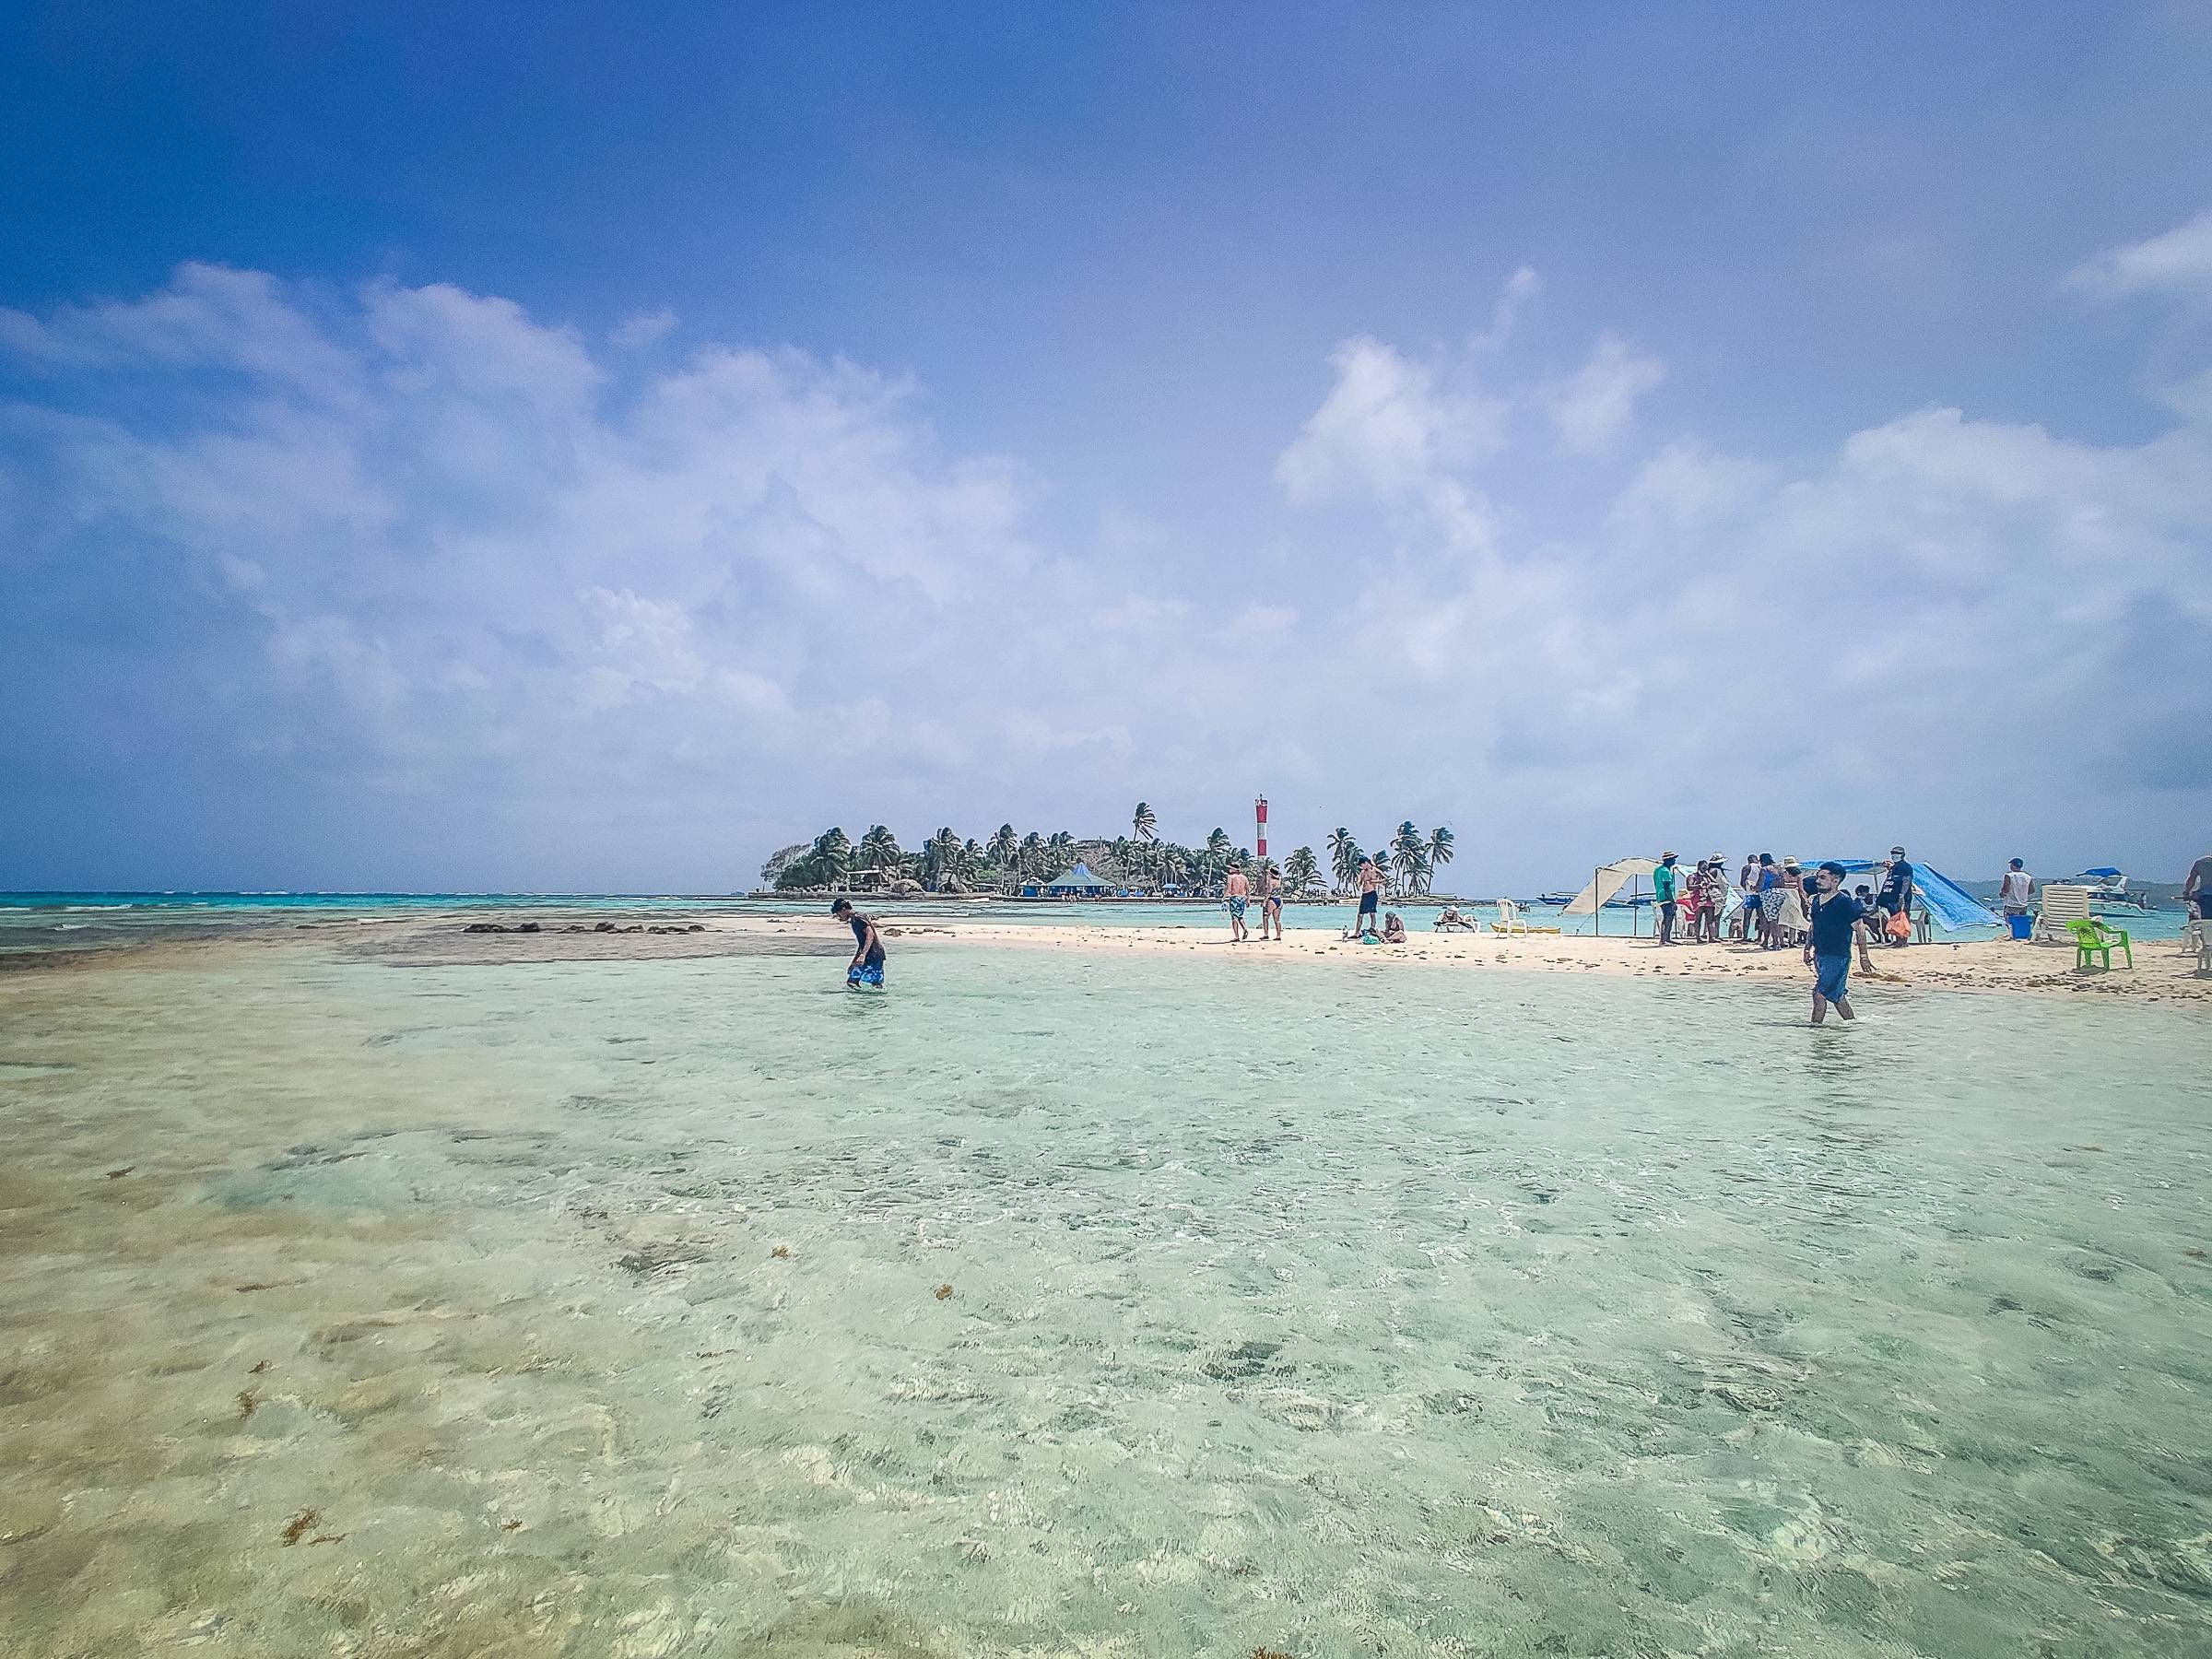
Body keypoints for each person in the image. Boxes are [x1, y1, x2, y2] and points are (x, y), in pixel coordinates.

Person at [1804, 861, 1875, 1024]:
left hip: (1838, 956)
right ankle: (1852, 1024)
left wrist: (1863, 956)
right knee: (1836, 996)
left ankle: (1816, 1032)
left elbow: (1860, 928)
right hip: (1820, 954)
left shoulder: (1845, 903)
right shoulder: (1815, 901)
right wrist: (1807, 949)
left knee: (1819, 994)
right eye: (1818, 877)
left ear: (1835, 881)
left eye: (1822, 877)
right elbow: (1814, 926)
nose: (1818, 881)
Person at [830, 898, 886, 988]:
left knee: (859, 983)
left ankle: (862, 1001)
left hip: (873, 954)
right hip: (873, 954)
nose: (838, 916)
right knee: (873, 984)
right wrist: (854, 962)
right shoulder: (855, 919)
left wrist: (863, 955)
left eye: (838, 913)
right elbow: (862, 943)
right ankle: (867, 1001)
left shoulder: (857, 918)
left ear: (844, 909)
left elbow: (870, 934)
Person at [1877, 846, 1915, 946]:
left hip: (1902, 897)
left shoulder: (1906, 867)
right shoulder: (1894, 867)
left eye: (1897, 853)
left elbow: (1906, 881)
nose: (1894, 855)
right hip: (1892, 897)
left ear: (1903, 855)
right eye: (1893, 853)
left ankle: (1903, 941)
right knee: (1894, 917)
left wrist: (1902, 896)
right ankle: (1897, 940)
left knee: (1903, 918)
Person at [1773, 859, 1808, 947]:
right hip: (1794, 895)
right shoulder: (1798, 875)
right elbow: (1801, 890)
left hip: (1783, 895)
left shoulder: (1782, 874)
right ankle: (1791, 941)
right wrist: (1806, 899)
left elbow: (1776, 885)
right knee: (1794, 918)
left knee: (1781, 920)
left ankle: (1781, 942)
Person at [1350, 855, 1382, 939]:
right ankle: (1357, 932)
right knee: (1360, 915)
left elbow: (1386, 879)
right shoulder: (1362, 872)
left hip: (1372, 894)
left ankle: (1372, 929)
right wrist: (1358, 883)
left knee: (1372, 913)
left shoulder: (1375, 870)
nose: (1361, 867)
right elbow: (1359, 882)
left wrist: (1374, 881)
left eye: (1362, 865)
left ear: (1366, 863)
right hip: (1365, 895)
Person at [1997, 858, 2034, 929]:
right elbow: (2032, 890)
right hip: (2023, 904)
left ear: (2013, 865)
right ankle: (2021, 935)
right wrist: (2022, 894)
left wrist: (2002, 894)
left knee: (2010, 923)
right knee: (2021, 922)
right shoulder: (2028, 877)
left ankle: (2012, 936)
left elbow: (2006, 889)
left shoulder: (2009, 876)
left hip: (2011, 904)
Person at [1700, 853, 1729, 943]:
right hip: (1716, 897)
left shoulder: (1716, 870)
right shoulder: (1714, 871)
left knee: (1717, 916)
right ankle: (1713, 935)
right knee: (1715, 916)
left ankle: (1716, 934)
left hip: (1721, 896)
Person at [1653, 851, 1680, 945]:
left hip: (1661, 896)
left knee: (1669, 918)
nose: (1674, 860)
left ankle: (1667, 938)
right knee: (1667, 918)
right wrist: (1673, 901)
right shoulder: (1665, 871)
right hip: (1666, 897)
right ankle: (1663, 940)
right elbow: (1667, 887)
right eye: (1673, 859)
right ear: (1668, 860)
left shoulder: (1658, 870)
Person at [1735, 854, 1761, 941]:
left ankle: (1745, 937)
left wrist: (1747, 889)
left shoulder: (1747, 867)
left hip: (1750, 895)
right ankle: (1759, 937)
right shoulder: (1762, 867)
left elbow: (1742, 882)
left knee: (1747, 917)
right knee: (1761, 917)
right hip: (1760, 894)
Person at [1225, 862, 1251, 943]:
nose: (1229, 869)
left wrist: (1225, 898)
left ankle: (1236, 936)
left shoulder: (1231, 877)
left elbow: (1229, 888)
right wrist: (1248, 899)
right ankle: (1245, 929)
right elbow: (1248, 889)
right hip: (1242, 898)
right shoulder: (1244, 877)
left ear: (1234, 869)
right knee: (1240, 916)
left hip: (1234, 897)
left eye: (1230, 868)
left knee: (1234, 917)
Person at [2184, 850, 2212, 923]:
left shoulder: (2201, 863)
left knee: (2206, 921)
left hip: (2206, 896)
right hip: (2206, 895)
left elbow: (2191, 879)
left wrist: (2187, 892)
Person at [1261, 865, 1284, 941]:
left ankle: (1266, 934)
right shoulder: (1279, 881)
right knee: (1277, 919)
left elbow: (1269, 892)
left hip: (1272, 900)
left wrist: (1265, 901)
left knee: (1265, 917)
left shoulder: (1271, 882)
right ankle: (1278, 935)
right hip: (1279, 900)